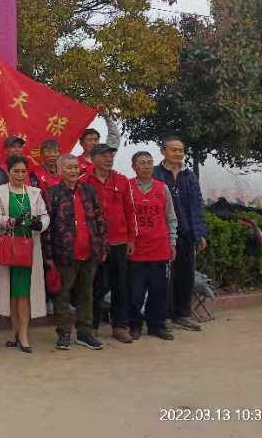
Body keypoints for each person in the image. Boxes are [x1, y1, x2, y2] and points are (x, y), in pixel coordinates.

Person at [42, 154, 107, 351]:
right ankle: (64, 333)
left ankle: (85, 333)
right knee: (62, 294)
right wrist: (49, 256)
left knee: (86, 294)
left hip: (90, 252)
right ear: (60, 170)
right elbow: (47, 228)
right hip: (64, 253)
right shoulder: (52, 193)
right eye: (68, 167)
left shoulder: (89, 191)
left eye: (75, 167)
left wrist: (102, 246)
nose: (73, 170)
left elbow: (99, 220)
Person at [0, 155, 49, 353]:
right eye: (16, 171)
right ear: (8, 172)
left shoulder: (34, 193)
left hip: (29, 248)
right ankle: (14, 331)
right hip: (8, 247)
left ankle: (24, 334)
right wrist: (11, 221)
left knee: (23, 293)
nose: (20, 175)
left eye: (24, 171)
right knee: (11, 293)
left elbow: (44, 215)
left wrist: (40, 224)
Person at [82, 144, 137, 343]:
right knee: (95, 285)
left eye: (110, 156)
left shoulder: (122, 181)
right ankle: (92, 326)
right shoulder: (84, 181)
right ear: (93, 158)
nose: (108, 159)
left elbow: (130, 211)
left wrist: (131, 238)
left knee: (120, 285)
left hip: (120, 242)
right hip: (95, 243)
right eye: (104, 156)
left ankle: (120, 326)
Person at [153, 135, 207, 332]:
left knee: (186, 276)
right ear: (163, 152)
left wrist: (199, 233)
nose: (178, 153)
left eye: (180, 150)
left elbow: (197, 205)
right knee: (164, 278)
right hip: (163, 235)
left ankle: (182, 314)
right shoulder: (155, 173)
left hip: (185, 234)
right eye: (173, 150)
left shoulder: (189, 175)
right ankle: (163, 316)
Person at [129, 152, 177, 341]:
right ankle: (134, 325)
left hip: (160, 248)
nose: (147, 166)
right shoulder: (129, 188)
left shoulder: (162, 188)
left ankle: (157, 325)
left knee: (159, 290)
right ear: (134, 167)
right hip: (136, 250)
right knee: (135, 292)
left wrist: (172, 242)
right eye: (142, 163)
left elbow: (171, 218)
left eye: (149, 163)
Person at [76, 109, 121, 177]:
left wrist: (107, 117)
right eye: (89, 140)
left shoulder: (105, 155)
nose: (93, 143)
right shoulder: (75, 162)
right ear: (81, 143)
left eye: (96, 140)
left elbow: (114, 137)